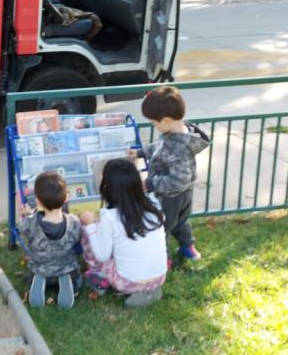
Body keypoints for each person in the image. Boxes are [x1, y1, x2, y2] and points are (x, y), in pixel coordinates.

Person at [132, 86, 210, 260]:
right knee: (181, 222)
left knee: (163, 226)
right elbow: (160, 149)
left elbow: (178, 180)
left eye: (154, 122)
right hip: (182, 195)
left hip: (171, 197)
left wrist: (151, 184)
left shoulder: (179, 146)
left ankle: (161, 259)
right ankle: (188, 248)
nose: (153, 125)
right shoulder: (175, 134)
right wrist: (140, 152)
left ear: (166, 120)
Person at [79, 158, 168, 308]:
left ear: (108, 187)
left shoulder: (110, 217)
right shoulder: (153, 205)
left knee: (90, 233)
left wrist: (90, 226)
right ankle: (149, 291)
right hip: (159, 277)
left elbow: (102, 255)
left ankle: (97, 276)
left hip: (128, 282)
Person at [19, 171, 82, 309]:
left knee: (36, 271)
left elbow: (23, 230)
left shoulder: (30, 222)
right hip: (66, 267)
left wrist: (28, 215)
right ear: (67, 197)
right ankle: (68, 282)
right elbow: (77, 238)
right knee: (74, 274)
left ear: (38, 201)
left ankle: (38, 279)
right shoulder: (74, 222)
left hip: (40, 267)